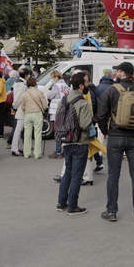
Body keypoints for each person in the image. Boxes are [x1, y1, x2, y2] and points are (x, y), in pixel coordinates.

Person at [96, 61, 134, 223]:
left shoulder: (112, 90)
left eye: (118, 71)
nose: (116, 73)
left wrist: (106, 131)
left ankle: (111, 211)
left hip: (115, 136)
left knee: (113, 175)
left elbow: (100, 115)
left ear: (123, 73)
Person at [56, 72, 93, 215]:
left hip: (66, 140)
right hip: (80, 142)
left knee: (67, 173)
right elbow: (84, 124)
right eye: (87, 82)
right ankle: (73, 206)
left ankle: (61, 202)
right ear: (81, 85)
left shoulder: (65, 99)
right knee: (77, 175)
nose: (89, 84)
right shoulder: (83, 102)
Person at [19, 76, 48, 159]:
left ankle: (27, 153)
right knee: (37, 134)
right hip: (37, 114)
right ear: (35, 83)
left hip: (28, 114)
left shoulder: (25, 93)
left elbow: (22, 106)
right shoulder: (39, 92)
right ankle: (37, 153)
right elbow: (45, 106)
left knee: (27, 134)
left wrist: (26, 110)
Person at [45, 70, 68, 158]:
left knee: (57, 131)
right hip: (64, 110)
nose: (52, 80)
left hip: (56, 111)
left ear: (56, 77)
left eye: (52, 78)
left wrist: (48, 94)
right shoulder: (65, 85)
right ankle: (63, 149)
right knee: (63, 131)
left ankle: (58, 151)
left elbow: (50, 96)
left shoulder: (56, 86)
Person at [10, 72, 28, 156]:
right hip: (21, 108)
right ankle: (15, 149)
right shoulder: (21, 84)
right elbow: (18, 98)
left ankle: (15, 148)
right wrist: (14, 107)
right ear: (26, 75)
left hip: (19, 108)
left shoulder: (18, 82)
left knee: (18, 129)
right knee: (18, 129)